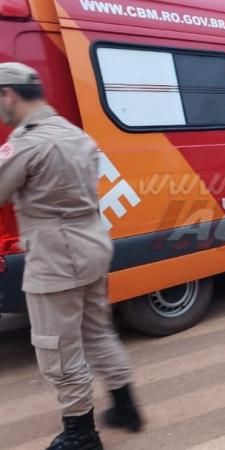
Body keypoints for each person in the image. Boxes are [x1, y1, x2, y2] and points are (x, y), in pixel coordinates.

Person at [0, 62, 143, 449]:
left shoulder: (27, 143)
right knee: (97, 331)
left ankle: (81, 433)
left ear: (8, 95)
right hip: (91, 245)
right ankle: (125, 406)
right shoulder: (75, 134)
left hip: (56, 257)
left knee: (57, 346)